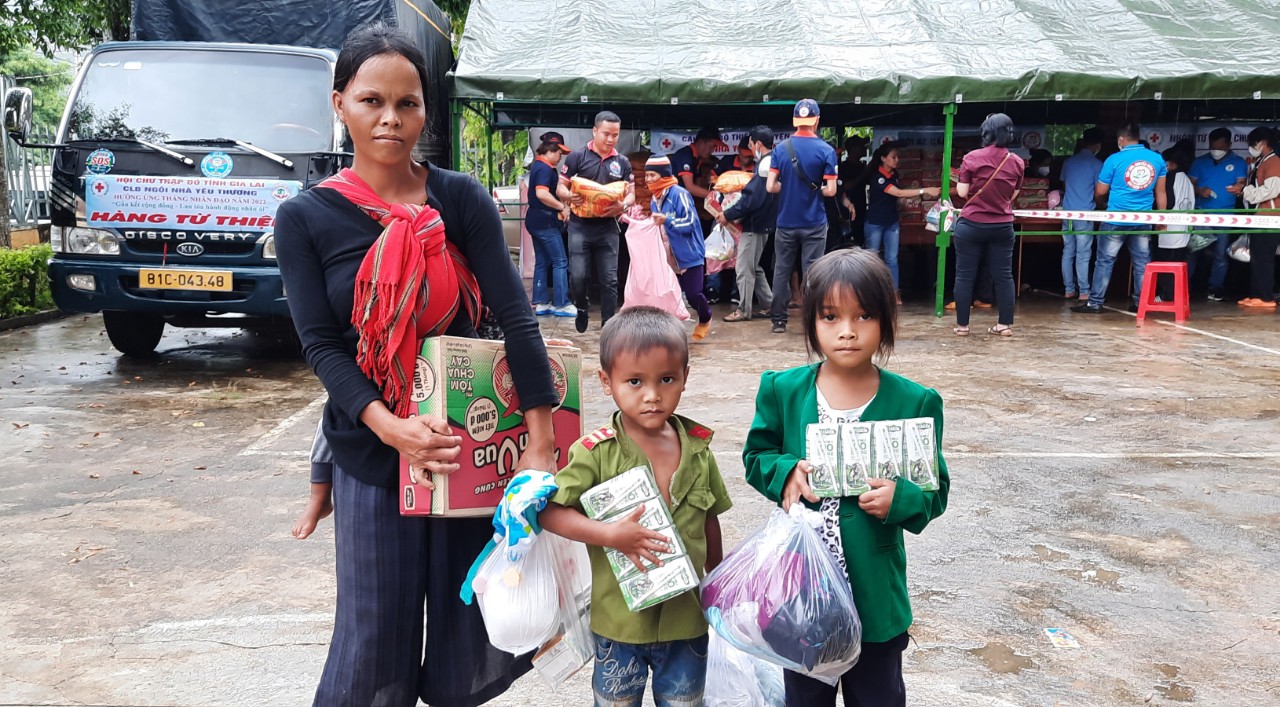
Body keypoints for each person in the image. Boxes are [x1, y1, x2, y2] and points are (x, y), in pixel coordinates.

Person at [274, 25, 561, 706]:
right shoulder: (305, 218)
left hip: (468, 443)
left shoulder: (459, 199)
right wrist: (390, 428)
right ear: (340, 101)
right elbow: (322, 346)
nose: (391, 119)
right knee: (375, 641)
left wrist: (542, 446)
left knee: (471, 630)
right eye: (372, 100)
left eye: (408, 103)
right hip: (372, 454)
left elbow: (516, 318)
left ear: (426, 111)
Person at [742, 248, 949, 707]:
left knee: (878, 695)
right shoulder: (784, 389)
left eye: (864, 316)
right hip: (803, 594)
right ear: (811, 321)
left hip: (875, 598)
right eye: (831, 317)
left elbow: (935, 490)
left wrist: (901, 498)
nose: (848, 331)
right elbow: (756, 455)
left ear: (886, 321)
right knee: (804, 697)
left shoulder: (914, 402)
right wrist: (786, 472)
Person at [541, 306, 733, 707]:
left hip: (686, 621)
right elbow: (551, 512)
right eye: (634, 381)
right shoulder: (593, 453)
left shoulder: (698, 450)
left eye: (666, 379)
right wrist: (609, 534)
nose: (652, 395)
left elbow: (709, 518)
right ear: (606, 381)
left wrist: (719, 581)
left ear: (684, 378)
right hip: (619, 625)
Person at [1073, 123, 1167, 315]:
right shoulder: (1157, 159)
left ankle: (1095, 302)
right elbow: (1161, 192)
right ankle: (1141, 303)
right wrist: (1161, 218)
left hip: (1115, 218)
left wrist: (1101, 203)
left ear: (1121, 140)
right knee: (1142, 262)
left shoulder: (1113, 159)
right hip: (1142, 220)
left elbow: (1100, 191)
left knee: (1105, 261)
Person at [558, 111, 637, 333]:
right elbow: (560, 186)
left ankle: (608, 325)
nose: (611, 139)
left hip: (608, 227)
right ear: (595, 131)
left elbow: (631, 195)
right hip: (580, 226)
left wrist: (623, 206)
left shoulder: (622, 162)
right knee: (579, 276)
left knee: (609, 279)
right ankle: (582, 307)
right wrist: (567, 196)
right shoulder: (576, 157)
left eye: (615, 135)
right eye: (606, 134)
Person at [767, 99, 839, 334]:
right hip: (814, 223)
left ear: (795, 121)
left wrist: (787, 187)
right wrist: (816, 189)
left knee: (782, 270)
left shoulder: (780, 149)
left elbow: (770, 186)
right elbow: (831, 191)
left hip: (786, 222)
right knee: (813, 272)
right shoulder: (826, 151)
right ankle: (811, 321)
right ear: (816, 120)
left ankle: (778, 320)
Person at [952, 113, 1025, 337]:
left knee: (964, 275)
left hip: (971, 224)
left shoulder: (972, 158)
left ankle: (963, 326)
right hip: (1002, 226)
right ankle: (1004, 325)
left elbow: (963, 192)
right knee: (1003, 275)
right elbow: (1012, 195)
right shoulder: (1017, 161)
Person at [862, 142, 940, 301]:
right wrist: (924, 190)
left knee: (892, 258)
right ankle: (870, 294)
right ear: (883, 159)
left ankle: (894, 293)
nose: (897, 160)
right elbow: (897, 192)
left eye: (898, 157)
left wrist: (902, 203)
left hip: (892, 221)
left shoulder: (894, 175)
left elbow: (896, 196)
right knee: (872, 259)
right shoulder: (878, 178)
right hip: (875, 222)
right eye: (893, 157)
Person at [646, 155, 713, 340]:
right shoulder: (654, 198)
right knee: (669, 296)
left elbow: (691, 223)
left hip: (689, 253)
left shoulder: (679, 194)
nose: (649, 179)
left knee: (693, 294)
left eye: (653, 175)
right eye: (647, 175)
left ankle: (706, 317)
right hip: (668, 256)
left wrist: (668, 220)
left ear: (664, 175)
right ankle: (670, 332)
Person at [718, 125, 777, 322]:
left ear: (758, 144)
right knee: (754, 267)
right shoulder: (772, 162)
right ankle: (770, 305)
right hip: (764, 222)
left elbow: (752, 199)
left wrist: (728, 213)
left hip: (756, 224)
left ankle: (744, 309)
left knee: (743, 268)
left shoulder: (763, 165)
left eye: (751, 144)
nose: (751, 149)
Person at [1188, 127, 1248, 301]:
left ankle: (1216, 288)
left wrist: (1239, 188)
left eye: (1220, 147)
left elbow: (1241, 183)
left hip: (1225, 214)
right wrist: (1199, 190)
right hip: (1200, 213)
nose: (1216, 151)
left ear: (1229, 144)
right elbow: (1189, 184)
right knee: (1193, 251)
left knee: (1220, 255)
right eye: (1213, 147)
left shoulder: (1239, 162)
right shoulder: (1199, 162)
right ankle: (1187, 285)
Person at [527, 131, 576, 317]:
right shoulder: (545, 169)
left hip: (535, 220)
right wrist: (561, 207)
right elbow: (542, 193)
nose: (560, 158)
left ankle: (541, 302)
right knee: (560, 261)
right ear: (551, 149)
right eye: (559, 153)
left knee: (542, 262)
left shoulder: (538, 166)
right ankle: (561, 304)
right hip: (545, 223)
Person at [1058, 129, 1104, 300]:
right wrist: (1101, 206)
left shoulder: (1068, 162)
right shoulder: (1097, 164)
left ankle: (1069, 289)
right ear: (1098, 145)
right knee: (1083, 253)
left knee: (1068, 251)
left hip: (1067, 213)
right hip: (1085, 214)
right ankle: (1084, 291)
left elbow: (1064, 185)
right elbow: (1098, 192)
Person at [1239, 126, 1280, 309]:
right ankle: (1256, 294)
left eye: (1252, 143)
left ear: (1261, 143)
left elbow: (1272, 190)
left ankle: (1266, 297)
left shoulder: (1274, 163)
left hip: (1270, 216)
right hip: (1259, 216)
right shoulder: (1261, 162)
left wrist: (1246, 192)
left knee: (1264, 258)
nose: (1251, 147)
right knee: (1257, 256)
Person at [1153, 147, 1195, 301]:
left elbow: (1167, 202)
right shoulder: (1186, 179)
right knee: (1177, 261)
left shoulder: (1170, 177)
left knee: (1166, 264)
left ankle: (1167, 296)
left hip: (1168, 229)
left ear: (1171, 163)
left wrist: (1159, 218)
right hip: (1183, 229)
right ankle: (1173, 295)